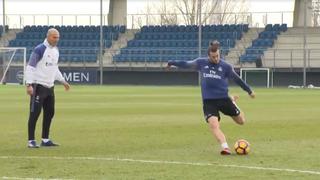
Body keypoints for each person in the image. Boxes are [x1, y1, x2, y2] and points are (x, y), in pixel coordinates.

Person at [167, 40, 255, 155]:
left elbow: (237, 79)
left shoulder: (226, 66)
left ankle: (233, 101)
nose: (216, 58)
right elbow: (186, 64)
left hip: (224, 99)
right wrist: (171, 62)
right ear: (208, 56)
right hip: (209, 101)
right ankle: (225, 147)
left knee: (241, 121)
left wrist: (249, 90)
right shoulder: (201, 63)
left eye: (217, 56)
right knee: (213, 125)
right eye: (213, 57)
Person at [25, 28, 70, 148]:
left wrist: (63, 81)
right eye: (54, 37)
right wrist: (29, 84)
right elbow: (30, 66)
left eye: (58, 37)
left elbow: (55, 68)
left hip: (50, 87)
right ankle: (31, 141)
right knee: (35, 113)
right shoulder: (39, 49)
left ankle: (45, 139)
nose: (57, 40)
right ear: (48, 36)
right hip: (38, 86)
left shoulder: (56, 51)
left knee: (50, 113)